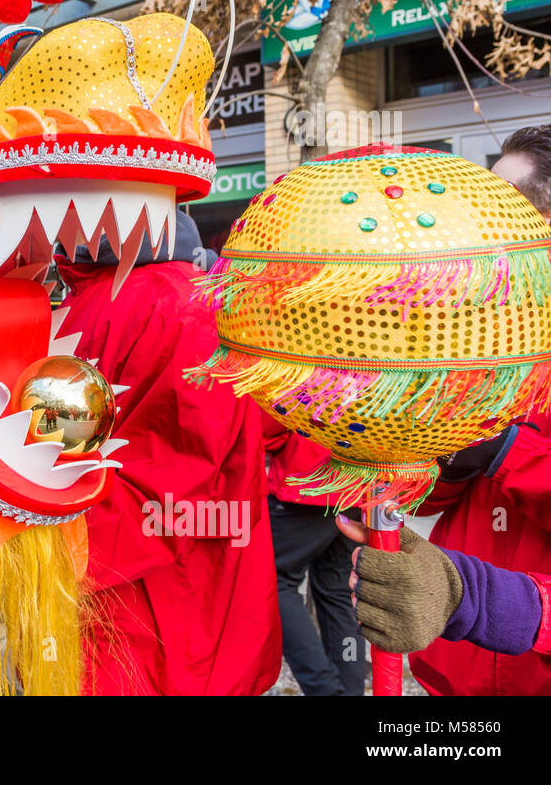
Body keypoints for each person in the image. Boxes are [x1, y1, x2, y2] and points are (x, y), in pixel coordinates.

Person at [333, 126, 551, 693]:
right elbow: (445, 497)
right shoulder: (482, 327)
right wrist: (425, 458)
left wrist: (503, 448)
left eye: (505, 209)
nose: (478, 229)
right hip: (458, 668)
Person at [57, 210, 282, 694]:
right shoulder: (100, 297)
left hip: (160, 615)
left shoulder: (181, 306)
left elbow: (175, 485)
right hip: (125, 610)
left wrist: (45, 550)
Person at [266, 421, 367, 695]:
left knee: (271, 582)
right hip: (360, 481)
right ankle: (348, 690)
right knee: (340, 595)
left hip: (308, 474)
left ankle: (325, 690)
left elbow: (271, 424)